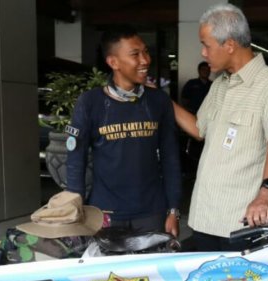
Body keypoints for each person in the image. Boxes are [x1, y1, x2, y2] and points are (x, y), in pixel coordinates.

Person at [172, 4, 268, 252]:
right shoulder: (220, 85)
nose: (203, 53)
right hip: (204, 216)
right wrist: (163, 102)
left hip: (239, 222)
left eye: (206, 45)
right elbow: (198, 129)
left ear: (229, 45)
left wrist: (266, 194)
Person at [65, 25, 181, 237]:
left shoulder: (158, 101)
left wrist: (173, 210)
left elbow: (170, 158)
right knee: (107, 271)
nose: (145, 60)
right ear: (113, 62)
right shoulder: (90, 103)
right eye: (135, 54)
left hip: (151, 213)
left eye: (145, 52)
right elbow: (75, 160)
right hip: (105, 214)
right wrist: (75, 212)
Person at [179, 61, 212, 180]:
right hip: (194, 119)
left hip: (209, 120)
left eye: (207, 70)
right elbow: (184, 99)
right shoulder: (191, 84)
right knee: (192, 146)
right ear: (199, 71)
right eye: (203, 69)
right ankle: (191, 169)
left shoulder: (213, 85)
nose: (205, 71)